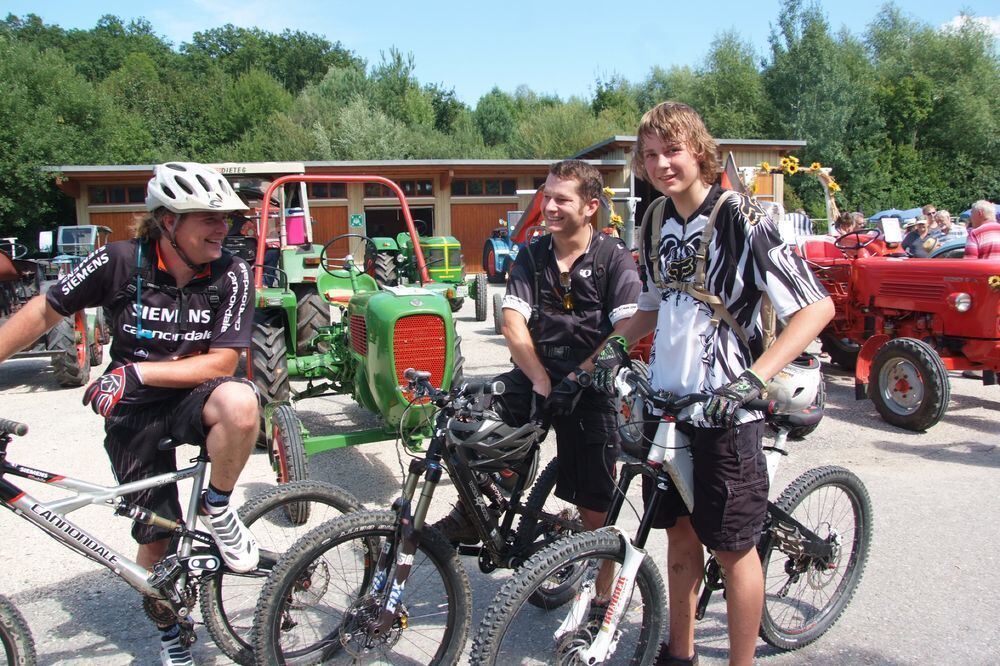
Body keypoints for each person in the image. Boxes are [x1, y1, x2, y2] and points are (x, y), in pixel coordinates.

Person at [595, 102, 834, 666]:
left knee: (732, 550)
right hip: (667, 407)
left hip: (727, 408)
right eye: (650, 155)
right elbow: (652, 304)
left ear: (699, 151)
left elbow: (815, 308)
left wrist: (752, 379)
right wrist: (611, 349)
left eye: (672, 150)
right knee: (679, 536)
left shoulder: (742, 217)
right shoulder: (654, 219)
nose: (661, 164)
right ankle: (679, 655)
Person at [0, 162, 260, 666]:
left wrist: (137, 373)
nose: (222, 228)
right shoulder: (119, 260)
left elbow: (224, 362)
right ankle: (170, 627)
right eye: (208, 218)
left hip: (194, 396)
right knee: (157, 539)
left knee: (241, 401)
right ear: (168, 221)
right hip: (133, 415)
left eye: (225, 218)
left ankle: (218, 505)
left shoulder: (232, 273)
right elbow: (45, 310)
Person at [432, 160, 641, 568]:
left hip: (591, 386)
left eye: (562, 199)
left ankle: (600, 586)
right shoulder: (533, 254)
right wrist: (540, 379)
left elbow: (627, 328)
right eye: (547, 197)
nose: (549, 207)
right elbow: (512, 323)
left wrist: (580, 376)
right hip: (536, 375)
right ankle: (475, 512)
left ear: (590, 207)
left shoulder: (613, 257)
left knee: (595, 504)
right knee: (471, 424)